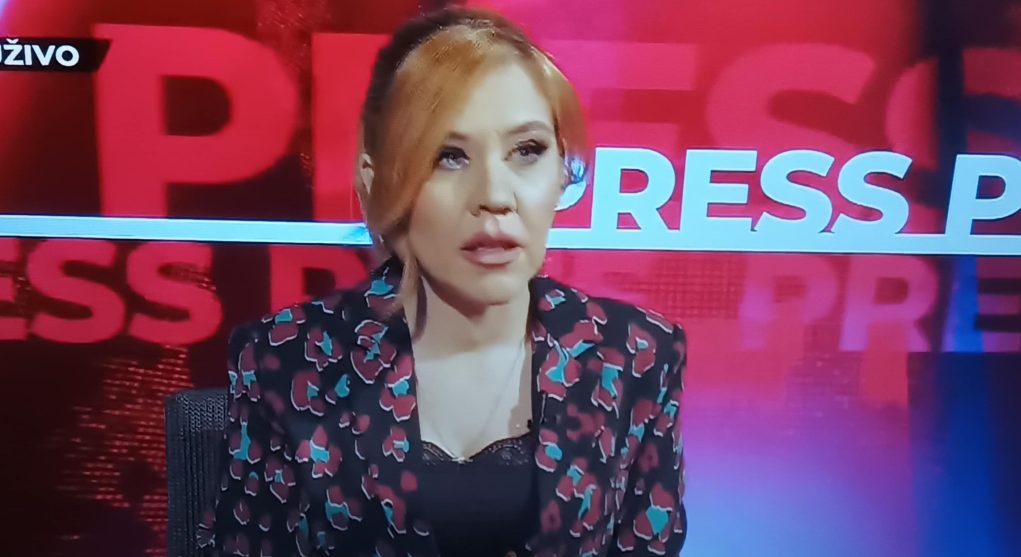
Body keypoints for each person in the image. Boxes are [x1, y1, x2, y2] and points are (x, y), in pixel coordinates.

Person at [197, 6, 687, 557]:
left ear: (562, 172)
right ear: (380, 183)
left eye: (527, 151)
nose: (495, 195)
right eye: (448, 157)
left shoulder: (635, 354)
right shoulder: (283, 359)